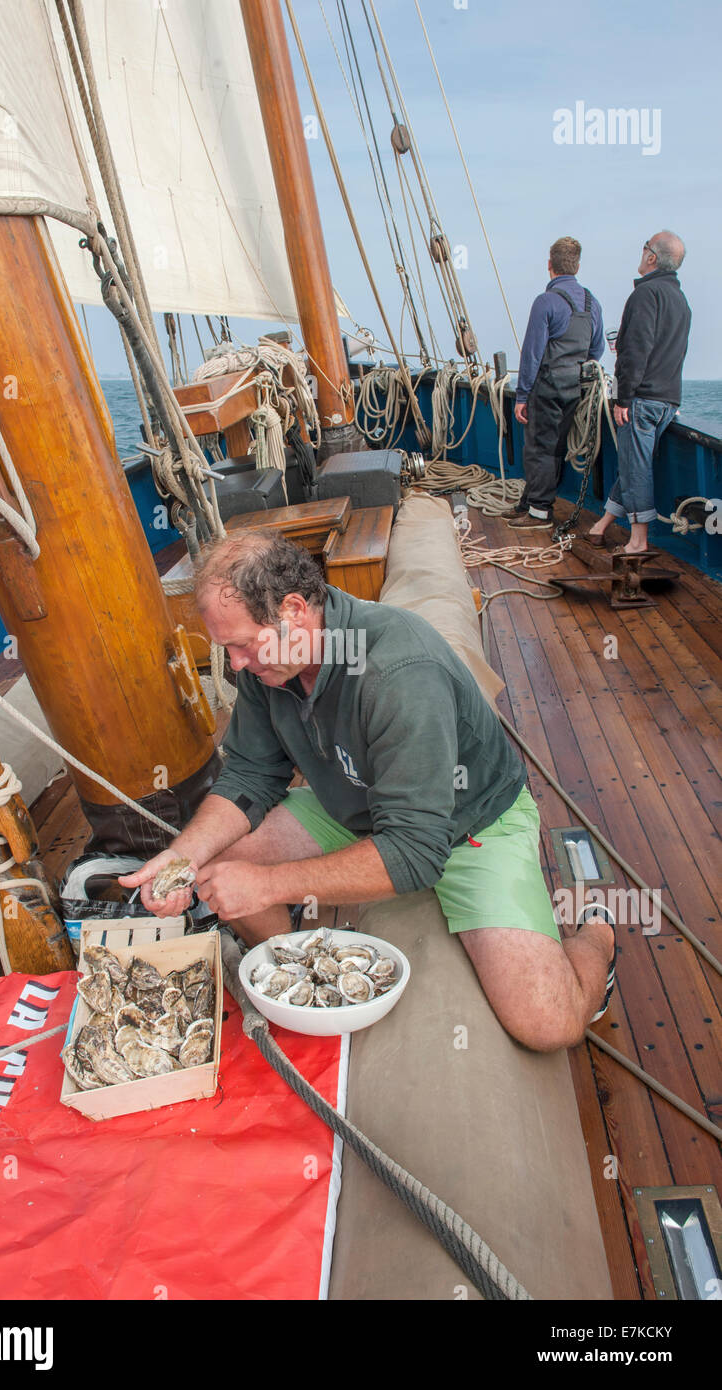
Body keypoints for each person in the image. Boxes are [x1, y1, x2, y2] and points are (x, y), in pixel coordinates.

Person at [120, 531, 615, 1054]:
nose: (236, 664)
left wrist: (266, 886)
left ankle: (600, 936)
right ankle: (303, 977)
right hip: (354, 805)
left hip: (469, 825)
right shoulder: (270, 663)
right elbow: (248, 775)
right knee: (217, 854)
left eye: (242, 645)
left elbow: (416, 853)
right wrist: (181, 858)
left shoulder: (399, 672)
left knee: (548, 1024)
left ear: (293, 610)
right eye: (228, 648)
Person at [585, 231, 691, 554]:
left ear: (652, 257)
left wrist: (623, 398)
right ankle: (603, 523)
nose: (641, 250)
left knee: (637, 468)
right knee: (632, 463)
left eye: (645, 246)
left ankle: (638, 541)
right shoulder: (680, 301)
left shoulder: (645, 295)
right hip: (667, 401)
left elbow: (635, 352)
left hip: (640, 400)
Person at [507, 236, 605, 530]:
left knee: (539, 449)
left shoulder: (546, 302)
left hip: (547, 386)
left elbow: (533, 353)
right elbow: (596, 350)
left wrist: (522, 395)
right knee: (555, 447)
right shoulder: (592, 302)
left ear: (550, 265)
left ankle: (539, 512)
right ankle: (529, 501)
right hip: (574, 388)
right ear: (576, 265)